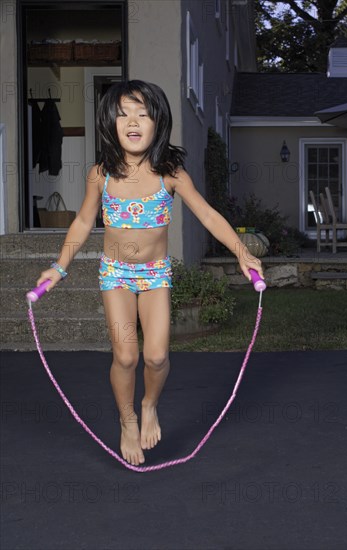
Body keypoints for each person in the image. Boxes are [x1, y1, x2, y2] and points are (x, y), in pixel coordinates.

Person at [36, 80, 264, 466]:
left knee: (156, 357)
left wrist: (242, 252)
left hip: (155, 274)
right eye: (123, 114)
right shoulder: (101, 175)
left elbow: (207, 214)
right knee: (126, 356)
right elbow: (82, 223)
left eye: (143, 113)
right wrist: (59, 267)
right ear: (109, 123)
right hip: (115, 275)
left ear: (159, 122)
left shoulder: (170, 173)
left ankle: (149, 404)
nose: (133, 121)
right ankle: (127, 420)